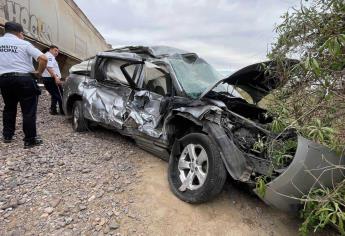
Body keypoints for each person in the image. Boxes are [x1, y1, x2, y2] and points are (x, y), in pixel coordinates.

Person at [0, 21, 48, 148]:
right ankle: (29, 140)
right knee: (28, 110)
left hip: (4, 80)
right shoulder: (24, 43)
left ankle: (7, 136)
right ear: (20, 33)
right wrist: (38, 72)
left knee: (9, 107)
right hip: (24, 79)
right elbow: (43, 58)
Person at [42, 45, 64, 115]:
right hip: (51, 79)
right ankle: (62, 111)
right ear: (50, 49)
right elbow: (49, 67)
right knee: (60, 95)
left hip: (48, 78)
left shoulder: (47, 56)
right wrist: (56, 78)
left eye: (58, 51)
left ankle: (53, 110)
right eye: (55, 50)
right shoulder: (50, 56)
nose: (57, 52)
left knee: (55, 95)